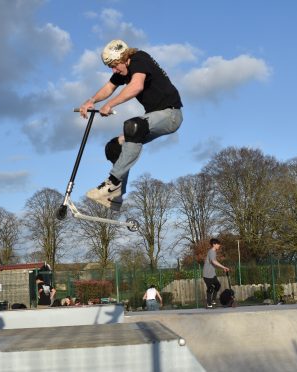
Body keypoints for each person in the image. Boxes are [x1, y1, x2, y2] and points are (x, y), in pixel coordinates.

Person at [79, 39, 183, 210]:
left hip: (171, 114)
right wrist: (91, 101)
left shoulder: (139, 59)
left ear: (124, 57)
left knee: (133, 127)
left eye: (114, 65)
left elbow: (136, 86)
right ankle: (116, 197)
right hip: (155, 116)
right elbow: (109, 87)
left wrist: (110, 104)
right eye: (110, 67)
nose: (114, 70)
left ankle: (112, 183)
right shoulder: (123, 70)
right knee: (115, 146)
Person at [202, 238, 230, 309]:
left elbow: (214, 263)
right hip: (207, 275)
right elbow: (214, 261)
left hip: (212, 274)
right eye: (218, 244)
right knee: (210, 288)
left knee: (217, 285)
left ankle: (213, 300)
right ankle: (209, 304)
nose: (219, 245)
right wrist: (224, 266)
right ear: (214, 244)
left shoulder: (214, 252)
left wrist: (222, 268)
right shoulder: (211, 251)